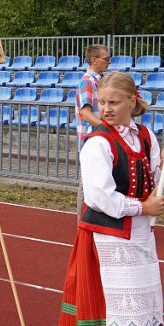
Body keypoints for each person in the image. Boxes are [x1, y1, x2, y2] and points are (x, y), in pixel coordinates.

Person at [57, 72, 164, 326]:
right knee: (105, 308)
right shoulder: (97, 142)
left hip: (138, 236)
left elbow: (159, 182)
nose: (106, 109)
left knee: (133, 310)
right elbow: (98, 196)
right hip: (105, 236)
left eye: (113, 102)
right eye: (102, 103)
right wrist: (142, 208)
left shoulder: (145, 135)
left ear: (131, 102)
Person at [73, 44, 111, 218]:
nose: (109, 62)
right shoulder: (87, 82)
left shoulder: (100, 82)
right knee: (86, 184)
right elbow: (85, 113)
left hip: (100, 139)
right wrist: (107, 128)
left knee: (99, 182)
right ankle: (82, 222)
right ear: (94, 60)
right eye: (106, 59)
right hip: (91, 140)